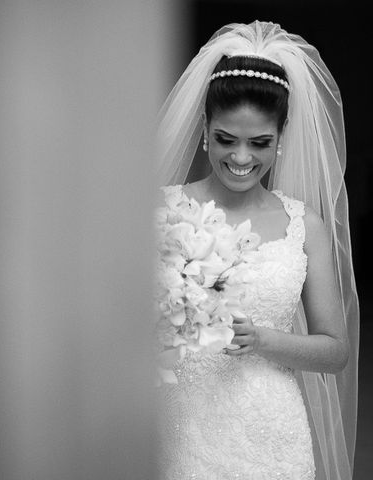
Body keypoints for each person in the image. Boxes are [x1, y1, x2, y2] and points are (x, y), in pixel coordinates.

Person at [154, 21, 359, 479]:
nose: (241, 158)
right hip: (180, 427)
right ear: (205, 129)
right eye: (227, 139)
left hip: (271, 436)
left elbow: (335, 351)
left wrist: (263, 340)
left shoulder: (304, 226)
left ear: (281, 138)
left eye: (259, 143)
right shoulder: (159, 212)